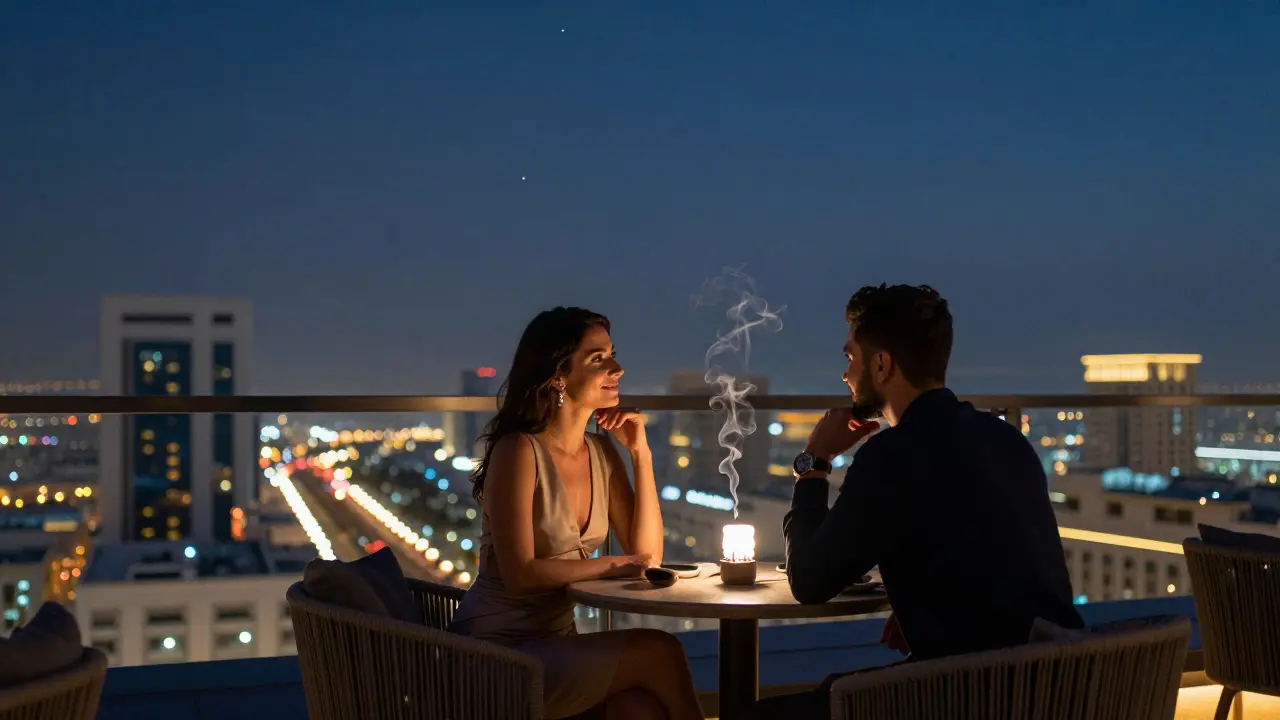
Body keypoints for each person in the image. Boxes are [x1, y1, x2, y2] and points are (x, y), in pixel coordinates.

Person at [753, 284, 1083, 718]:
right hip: (1060, 687)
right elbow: (991, 555)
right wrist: (927, 611)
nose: (845, 375)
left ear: (882, 364)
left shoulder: (892, 456)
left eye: (850, 358)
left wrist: (813, 464)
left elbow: (810, 583)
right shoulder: (1006, 439)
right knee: (838, 688)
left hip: (970, 696)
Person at [450, 307, 703, 720]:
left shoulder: (601, 452)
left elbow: (647, 558)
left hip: (556, 644)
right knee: (660, 650)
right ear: (558, 375)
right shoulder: (519, 450)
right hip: (497, 652)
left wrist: (641, 454)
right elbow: (520, 574)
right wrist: (613, 564)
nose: (617, 368)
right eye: (597, 358)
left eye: (613, 354)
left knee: (638, 710)